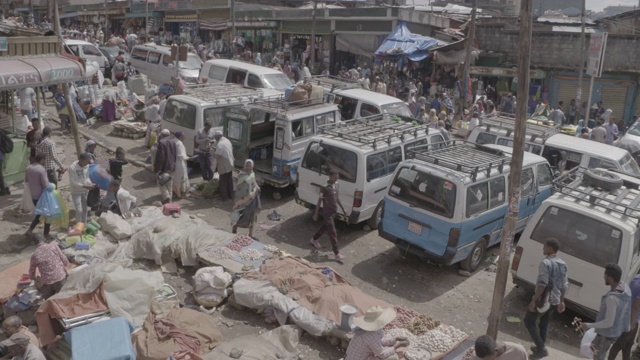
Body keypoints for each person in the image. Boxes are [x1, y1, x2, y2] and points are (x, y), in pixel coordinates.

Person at [525, 238, 568, 359]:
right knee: (544, 323)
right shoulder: (562, 263)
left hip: (544, 300)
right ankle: (540, 347)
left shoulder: (545, 263)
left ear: (550, 248)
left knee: (529, 321)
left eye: (544, 246)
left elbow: (543, 284)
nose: (543, 248)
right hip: (554, 301)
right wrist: (562, 301)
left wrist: (534, 300)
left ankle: (541, 348)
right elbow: (564, 285)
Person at [580, 264, 632, 360]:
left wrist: (588, 325)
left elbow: (608, 322)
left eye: (605, 275)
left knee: (598, 357)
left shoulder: (612, 298)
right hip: (615, 331)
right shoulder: (625, 289)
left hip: (605, 335)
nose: (604, 277)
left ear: (610, 278)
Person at [344, 306, 409, 360]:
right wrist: (398, 345)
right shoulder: (371, 335)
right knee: (391, 357)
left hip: (350, 357)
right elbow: (382, 354)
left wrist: (395, 339)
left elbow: (377, 341)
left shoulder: (364, 329)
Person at [310, 169, 348, 261]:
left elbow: (336, 198)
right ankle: (337, 253)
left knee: (325, 227)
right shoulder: (325, 187)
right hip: (327, 213)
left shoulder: (336, 185)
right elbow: (319, 200)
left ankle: (314, 239)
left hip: (333, 212)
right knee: (333, 232)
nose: (336, 179)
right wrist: (316, 213)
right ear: (330, 177)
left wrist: (343, 209)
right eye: (334, 178)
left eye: (337, 178)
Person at [608, 273, 640, 360]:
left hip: (625, 314)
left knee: (628, 345)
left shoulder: (636, 278)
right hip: (632, 320)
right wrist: (632, 323)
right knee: (618, 345)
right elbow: (636, 307)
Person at [29, 234, 69, 299]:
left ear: (35, 244)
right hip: (60, 278)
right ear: (44, 240)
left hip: (47, 282)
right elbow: (64, 260)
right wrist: (65, 264)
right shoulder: (53, 247)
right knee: (63, 297)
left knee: (48, 298)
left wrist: (34, 278)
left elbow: (31, 272)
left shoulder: (35, 255)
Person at [231, 159, 260, 238]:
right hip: (241, 199)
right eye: (247, 165)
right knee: (239, 215)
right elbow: (239, 187)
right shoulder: (241, 175)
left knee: (252, 216)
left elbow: (254, 183)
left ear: (252, 166)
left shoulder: (252, 174)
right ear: (244, 165)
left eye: (250, 166)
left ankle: (250, 234)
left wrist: (257, 187)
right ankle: (235, 228)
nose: (248, 167)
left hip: (252, 199)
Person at [25, 154, 51, 238]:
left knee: (39, 214)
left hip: (33, 196)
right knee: (48, 214)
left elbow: (26, 180)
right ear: (42, 160)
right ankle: (46, 233)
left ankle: (29, 230)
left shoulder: (28, 168)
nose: (45, 162)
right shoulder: (41, 169)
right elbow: (46, 184)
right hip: (42, 196)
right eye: (44, 160)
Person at [69, 153, 96, 225]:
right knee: (79, 210)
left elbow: (86, 177)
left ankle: (84, 224)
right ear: (81, 160)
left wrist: (90, 183)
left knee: (85, 209)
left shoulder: (86, 166)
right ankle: (78, 225)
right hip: (76, 192)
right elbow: (73, 182)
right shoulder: (72, 168)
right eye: (87, 161)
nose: (88, 163)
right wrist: (84, 186)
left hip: (85, 191)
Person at [154, 129, 177, 204]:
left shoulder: (161, 143)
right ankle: (169, 202)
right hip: (171, 167)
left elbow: (160, 157)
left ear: (161, 135)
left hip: (164, 168)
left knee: (161, 182)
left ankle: (166, 197)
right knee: (169, 185)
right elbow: (174, 155)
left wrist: (158, 169)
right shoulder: (173, 142)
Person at [213, 130, 235, 201]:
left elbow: (217, 156)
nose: (215, 138)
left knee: (223, 181)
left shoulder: (221, 144)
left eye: (215, 137)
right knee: (229, 180)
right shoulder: (226, 140)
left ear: (218, 136)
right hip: (229, 163)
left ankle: (225, 197)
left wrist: (211, 151)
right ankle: (231, 195)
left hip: (224, 165)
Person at [173, 131, 190, 199]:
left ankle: (175, 192)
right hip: (180, 163)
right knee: (182, 179)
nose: (184, 137)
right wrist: (189, 158)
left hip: (174, 163)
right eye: (183, 136)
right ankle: (181, 194)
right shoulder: (179, 143)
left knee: (175, 179)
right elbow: (181, 155)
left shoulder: (173, 141)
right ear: (180, 137)